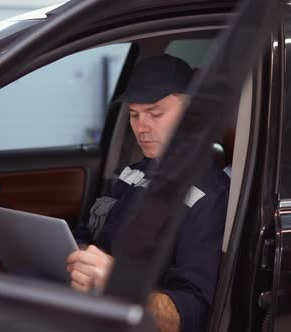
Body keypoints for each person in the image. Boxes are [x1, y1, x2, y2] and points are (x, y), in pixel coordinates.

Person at [68, 54, 230, 332]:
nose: (141, 127)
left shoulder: (209, 198)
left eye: (155, 114)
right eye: (134, 114)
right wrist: (79, 257)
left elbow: (192, 313)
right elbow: (91, 232)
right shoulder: (134, 173)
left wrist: (119, 284)